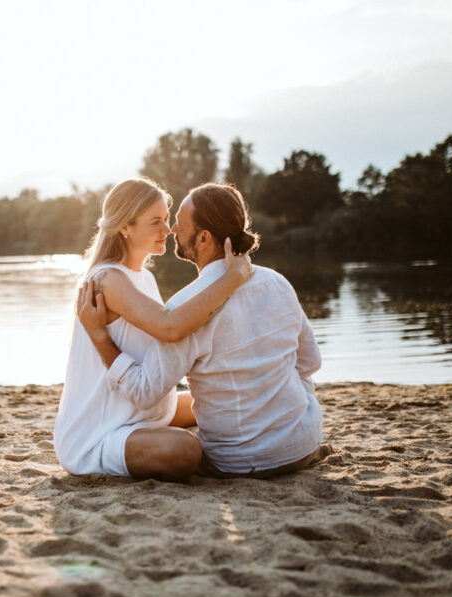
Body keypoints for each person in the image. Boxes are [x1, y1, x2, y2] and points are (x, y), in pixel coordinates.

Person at [78, 182, 329, 479]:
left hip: (236, 462)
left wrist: (100, 338)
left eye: (180, 224)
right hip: (302, 446)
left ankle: (257, 437)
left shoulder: (185, 307)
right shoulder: (277, 282)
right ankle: (284, 432)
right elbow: (310, 362)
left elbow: (144, 392)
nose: (172, 230)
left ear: (203, 238)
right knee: (297, 381)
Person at [53, 178, 254, 482]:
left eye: (167, 219)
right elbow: (170, 328)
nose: (169, 229)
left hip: (144, 409)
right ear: (124, 227)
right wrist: (231, 280)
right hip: (102, 430)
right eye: (156, 222)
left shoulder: (144, 277)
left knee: (223, 401)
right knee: (185, 451)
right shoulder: (108, 280)